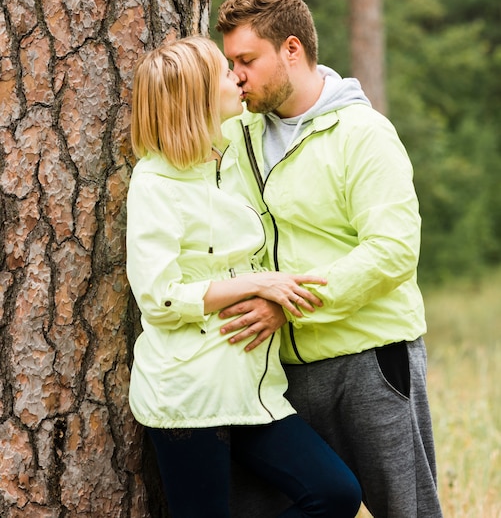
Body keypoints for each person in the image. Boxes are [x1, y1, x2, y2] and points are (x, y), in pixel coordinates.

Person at [216, 0, 444, 518]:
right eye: (230, 64)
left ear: (291, 49)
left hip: (370, 362)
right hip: (275, 372)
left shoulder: (364, 134)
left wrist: (285, 302)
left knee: (406, 511)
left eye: (246, 60)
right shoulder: (236, 135)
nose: (235, 77)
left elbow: (392, 250)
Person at [126, 36, 362, 518]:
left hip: (254, 386)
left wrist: (349, 101)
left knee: (335, 492)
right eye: (223, 73)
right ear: (195, 98)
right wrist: (259, 284)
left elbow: (299, 93)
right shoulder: (154, 182)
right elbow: (159, 298)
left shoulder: (231, 153)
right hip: (188, 396)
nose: (236, 77)